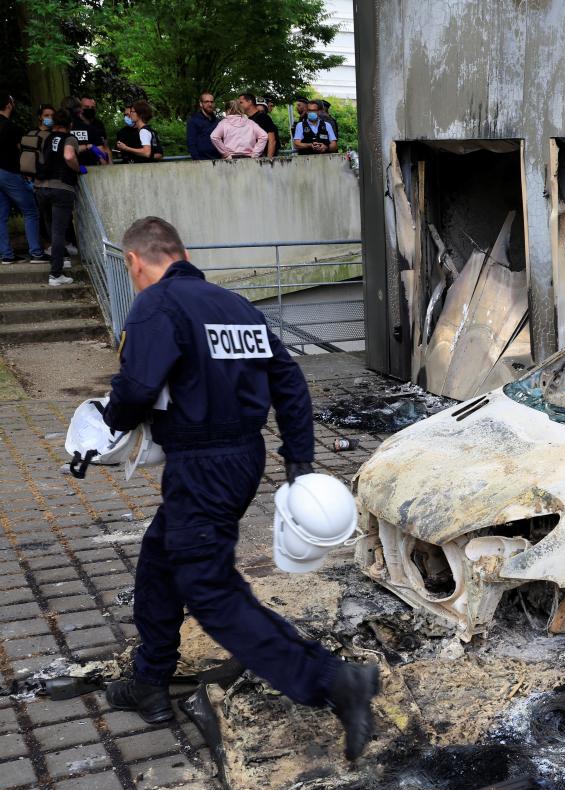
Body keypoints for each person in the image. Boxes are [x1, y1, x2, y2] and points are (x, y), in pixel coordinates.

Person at [100, 217, 379, 762]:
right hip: (242, 458)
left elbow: (135, 388)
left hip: (203, 464)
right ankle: (150, 680)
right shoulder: (235, 306)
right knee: (161, 559)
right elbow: (290, 381)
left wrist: (107, 420)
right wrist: (298, 458)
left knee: (209, 589)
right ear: (182, 251)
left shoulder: (157, 305)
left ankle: (333, 680)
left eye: (131, 270)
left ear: (136, 261)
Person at [0, 92, 48, 265]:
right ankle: (36, 253)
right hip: (9, 172)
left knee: (1, 216)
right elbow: (23, 151)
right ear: (8, 105)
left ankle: (6, 255)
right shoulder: (11, 127)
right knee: (30, 211)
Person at [32, 109, 77, 286]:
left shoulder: (47, 138)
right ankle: (55, 274)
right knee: (59, 231)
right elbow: (68, 155)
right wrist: (76, 166)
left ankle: (63, 257)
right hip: (61, 188)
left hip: (42, 188)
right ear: (70, 125)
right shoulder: (70, 138)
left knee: (52, 229)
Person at [239, 93, 278, 159]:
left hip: (263, 160)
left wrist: (268, 160)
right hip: (253, 159)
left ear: (249, 102)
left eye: (241, 102)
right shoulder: (248, 120)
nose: (239, 105)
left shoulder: (263, 117)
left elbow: (272, 140)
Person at [75, 96, 112, 165]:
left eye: (92, 107)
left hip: (97, 166)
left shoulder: (99, 124)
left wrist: (110, 166)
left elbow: (106, 147)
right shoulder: (74, 124)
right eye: (86, 107)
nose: (90, 109)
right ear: (80, 108)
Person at [186, 92, 221, 160]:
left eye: (212, 102)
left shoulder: (218, 122)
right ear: (201, 104)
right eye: (206, 102)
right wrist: (198, 160)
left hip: (219, 160)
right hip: (202, 161)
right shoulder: (193, 121)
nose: (210, 104)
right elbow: (191, 143)